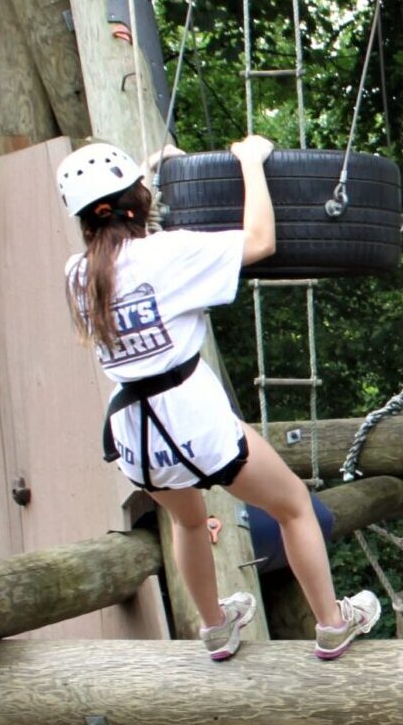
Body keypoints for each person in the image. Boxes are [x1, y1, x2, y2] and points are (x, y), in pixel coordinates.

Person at [58, 136, 381, 661]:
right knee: (294, 507)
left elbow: (122, 228)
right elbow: (259, 241)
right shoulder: (170, 252)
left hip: (135, 436)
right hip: (193, 420)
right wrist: (250, 162)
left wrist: (146, 172)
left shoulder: (77, 276)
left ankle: (214, 628)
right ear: (139, 202)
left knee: (187, 520)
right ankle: (331, 623)